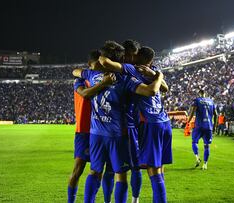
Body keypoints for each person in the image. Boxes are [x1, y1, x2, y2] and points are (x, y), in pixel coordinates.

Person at [98, 45, 172, 203]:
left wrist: (100, 57)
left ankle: (135, 199)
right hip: (164, 121)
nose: (129, 58)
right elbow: (165, 87)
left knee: (151, 171)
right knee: (157, 169)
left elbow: (106, 63)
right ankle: (136, 199)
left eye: (131, 55)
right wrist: (158, 75)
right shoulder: (154, 69)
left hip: (149, 124)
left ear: (137, 57)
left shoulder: (132, 69)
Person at [67, 50, 115, 203]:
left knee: (99, 170)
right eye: (98, 63)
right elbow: (85, 94)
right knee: (78, 170)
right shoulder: (81, 80)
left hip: (101, 130)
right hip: (84, 130)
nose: (101, 65)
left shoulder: (106, 77)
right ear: (90, 65)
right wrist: (103, 84)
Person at [186, 89, 217, 170]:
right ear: (205, 94)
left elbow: (192, 111)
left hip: (199, 126)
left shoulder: (197, 100)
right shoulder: (211, 101)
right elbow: (216, 114)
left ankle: (197, 157)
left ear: (199, 94)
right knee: (207, 146)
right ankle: (205, 164)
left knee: (194, 142)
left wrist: (188, 121)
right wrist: (214, 127)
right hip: (209, 126)